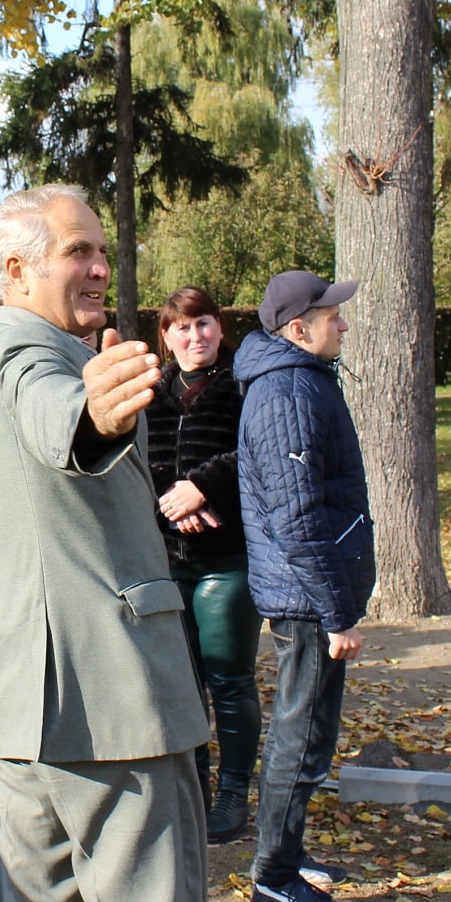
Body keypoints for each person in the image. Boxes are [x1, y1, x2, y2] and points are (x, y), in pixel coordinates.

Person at [0, 184, 206, 902]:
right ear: (16, 270)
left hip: (32, 711)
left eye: (101, 249)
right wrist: (95, 417)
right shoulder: (31, 355)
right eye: (78, 252)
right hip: (109, 709)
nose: (100, 265)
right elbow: (63, 421)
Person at [235, 268, 374, 902]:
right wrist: (335, 610)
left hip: (312, 592)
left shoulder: (301, 380)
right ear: (298, 329)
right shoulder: (287, 391)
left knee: (312, 731)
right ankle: (275, 877)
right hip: (306, 598)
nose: (341, 323)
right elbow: (296, 518)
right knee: (300, 731)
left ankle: (287, 854)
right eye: (331, 316)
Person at [145, 287, 257, 844]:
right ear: (165, 336)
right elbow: (140, 465)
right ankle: (194, 787)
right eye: (182, 328)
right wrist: (174, 501)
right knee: (182, 683)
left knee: (229, 678)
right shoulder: (151, 393)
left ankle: (233, 793)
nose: (195, 337)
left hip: (227, 560)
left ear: (220, 328)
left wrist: (202, 488)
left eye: (204, 325)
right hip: (168, 559)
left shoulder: (244, 386)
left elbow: (256, 452)